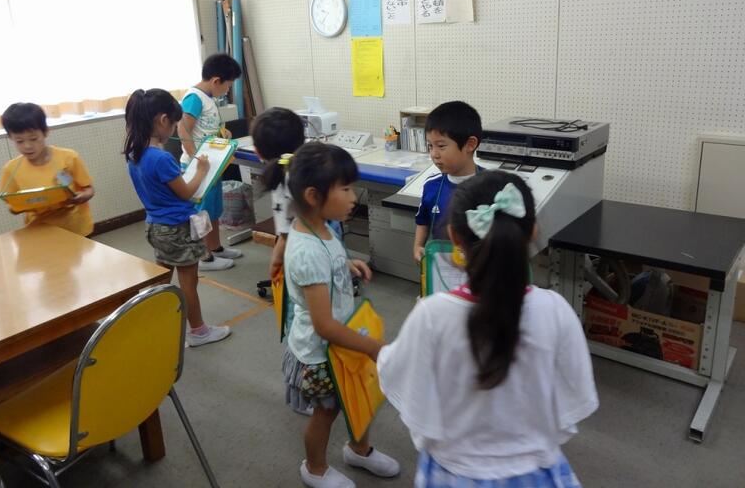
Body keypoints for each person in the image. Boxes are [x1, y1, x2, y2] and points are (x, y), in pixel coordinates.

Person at [378, 171, 598, 487]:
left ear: (453, 237)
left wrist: (374, 348)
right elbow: (573, 400)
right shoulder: (556, 310)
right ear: (533, 232)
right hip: (537, 472)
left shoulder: (432, 315)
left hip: (452, 474)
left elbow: (405, 384)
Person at [282, 142, 399, 488]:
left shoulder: (322, 227)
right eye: (345, 189)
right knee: (328, 410)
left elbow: (327, 261)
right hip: (321, 350)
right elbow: (324, 325)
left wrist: (346, 264)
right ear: (313, 195)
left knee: (357, 396)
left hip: (343, 338)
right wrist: (373, 347)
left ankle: (358, 450)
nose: (353, 197)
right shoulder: (306, 251)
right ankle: (314, 468)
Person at [125, 88, 231, 347]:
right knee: (188, 282)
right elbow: (186, 192)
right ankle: (199, 331)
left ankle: (161, 323)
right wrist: (202, 170)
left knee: (163, 279)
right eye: (173, 125)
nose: (174, 130)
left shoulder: (134, 154)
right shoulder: (161, 158)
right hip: (177, 228)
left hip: (155, 226)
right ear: (163, 120)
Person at [178, 53, 243, 271]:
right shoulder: (194, 98)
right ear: (216, 81)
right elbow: (183, 129)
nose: (228, 90)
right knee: (201, 213)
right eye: (228, 85)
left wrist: (223, 132)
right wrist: (196, 160)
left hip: (211, 166)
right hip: (198, 167)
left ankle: (215, 248)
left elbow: (205, 128)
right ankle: (203, 257)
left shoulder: (209, 98)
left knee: (213, 210)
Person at [0, 102, 95, 236]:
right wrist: (16, 208)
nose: (27, 146)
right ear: (10, 137)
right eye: (19, 141)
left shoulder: (68, 158)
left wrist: (82, 197)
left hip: (76, 227)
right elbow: (11, 205)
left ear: (45, 132)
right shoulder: (11, 169)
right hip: (40, 230)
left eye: (33, 139)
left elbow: (89, 189)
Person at [413, 101, 483, 263]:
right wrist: (417, 246)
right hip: (441, 266)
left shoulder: (490, 185)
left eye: (441, 146)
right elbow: (422, 221)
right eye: (430, 146)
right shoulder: (431, 185)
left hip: (479, 267)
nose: (434, 154)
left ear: (470, 144)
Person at [250, 107, 306, 279]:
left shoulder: (283, 180)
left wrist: (275, 262)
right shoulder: (308, 169)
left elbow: (286, 235)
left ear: (258, 152)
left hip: (303, 258)